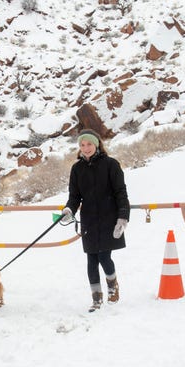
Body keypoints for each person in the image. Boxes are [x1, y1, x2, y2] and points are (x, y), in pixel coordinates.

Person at [60, 129, 130, 312]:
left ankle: (113, 285)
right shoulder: (77, 169)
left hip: (109, 218)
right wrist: (69, 209)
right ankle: (96, 298)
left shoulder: (111, 164)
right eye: (82, 145)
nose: (86, 148)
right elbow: (74, 196)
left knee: (104, 257)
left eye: (89, 144)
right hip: (89, 219)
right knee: (91, 259)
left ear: (97, 144)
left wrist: (122, 217)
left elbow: (121, 193)